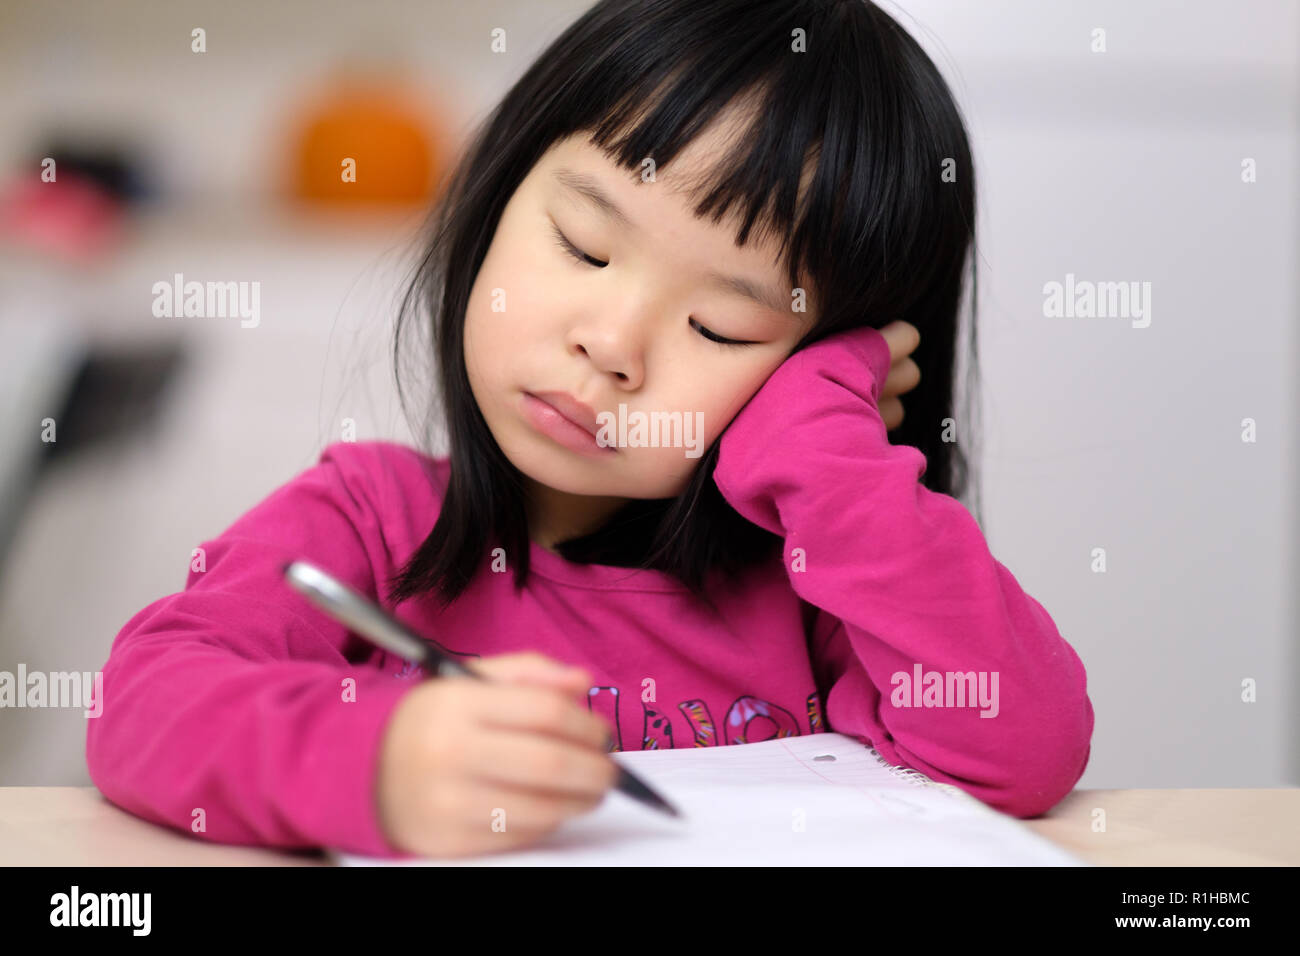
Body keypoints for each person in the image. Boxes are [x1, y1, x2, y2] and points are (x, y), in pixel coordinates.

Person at [87, 0, 1092, 860]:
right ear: (494, 198)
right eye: (582, 243)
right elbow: (143, 705)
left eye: (721, 325)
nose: (610, 344)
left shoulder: (816, 585)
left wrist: (828, 442)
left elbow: (1024, 746)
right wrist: (379, 761)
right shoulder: (371, 519)